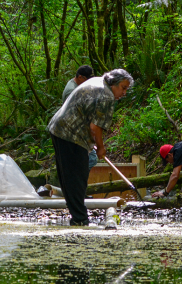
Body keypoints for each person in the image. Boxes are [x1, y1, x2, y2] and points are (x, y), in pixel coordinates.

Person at [48, 69, 133, 226]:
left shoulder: (98, 81)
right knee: (77, 177)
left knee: (70, 176)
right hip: (70, 133)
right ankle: (80, 218)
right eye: (123, 87)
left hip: (59, 128)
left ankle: (77, 215)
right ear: (114, 83)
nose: (124, 92)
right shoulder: (106, 95)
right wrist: (100, 147)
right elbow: (95, 127)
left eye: (126, 88)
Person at [63, 65, 98, 170]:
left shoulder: (77, 86)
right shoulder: (71, 91)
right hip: (73, 132)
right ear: (80, 77)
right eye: (87, 79)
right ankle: (77, 179)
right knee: (91, 159)